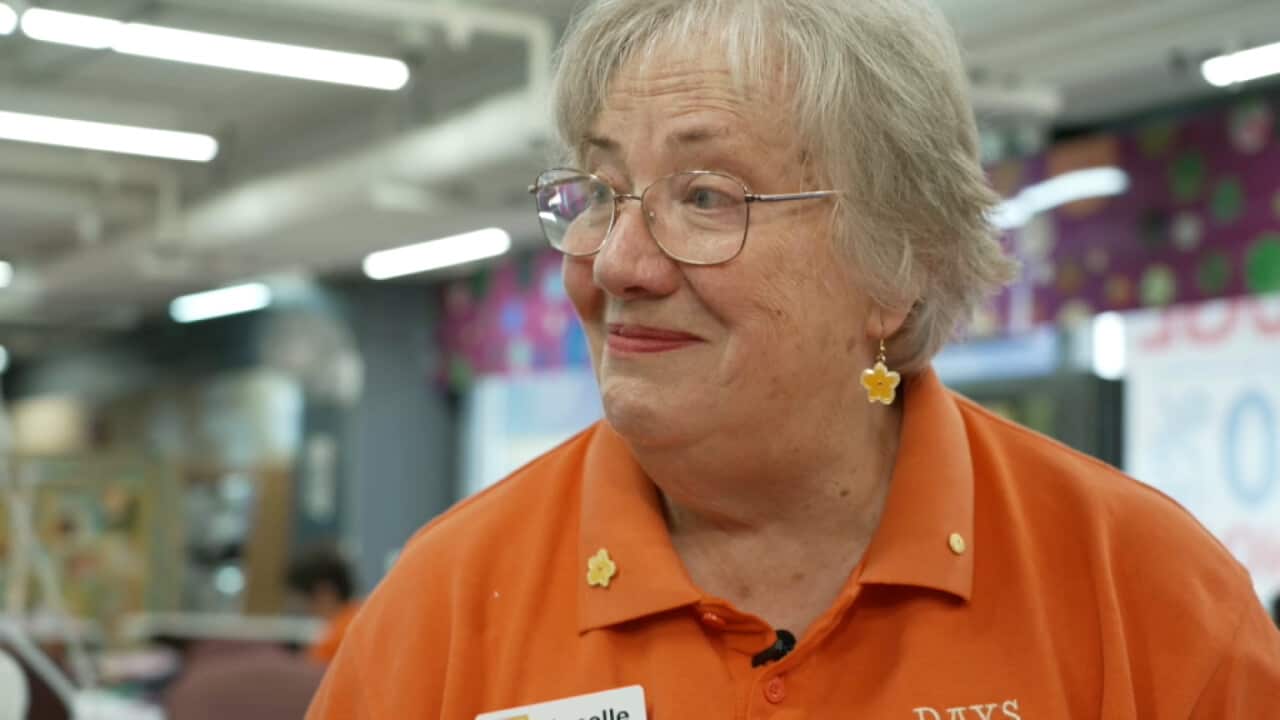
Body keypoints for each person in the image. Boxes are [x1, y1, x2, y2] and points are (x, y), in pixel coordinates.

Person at [308, 1, 1280, 717]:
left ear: (894, 265)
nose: (617, 260)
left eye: (703, 197)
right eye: (601, 191)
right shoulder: (444, 606)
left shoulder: (1144, 593)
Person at [285, 545, 360, 665]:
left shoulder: (334, 641)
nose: (301, 608)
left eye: (301, 599)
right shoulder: (364, 617)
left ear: (323, 593)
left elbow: (311, 675)